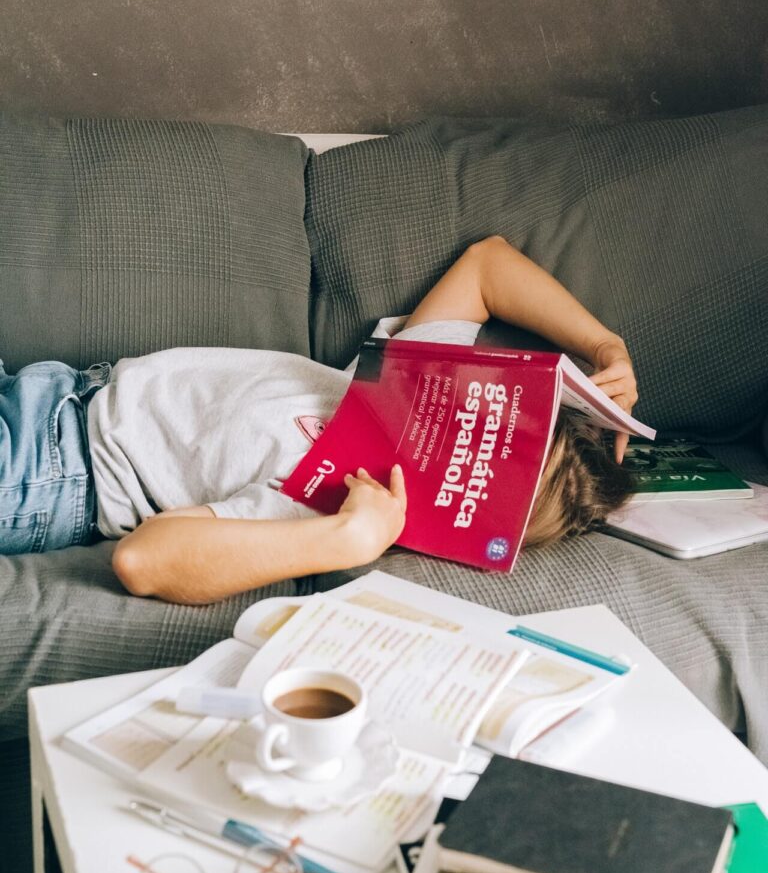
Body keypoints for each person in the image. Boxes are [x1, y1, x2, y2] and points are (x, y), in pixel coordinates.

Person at [0, 237, 637, 604]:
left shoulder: (326, 505)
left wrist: (346, 540)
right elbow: (487, 264)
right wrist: (607, 347)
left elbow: (143, 561)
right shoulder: (407, 387)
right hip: (60, 389)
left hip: (52, 476)